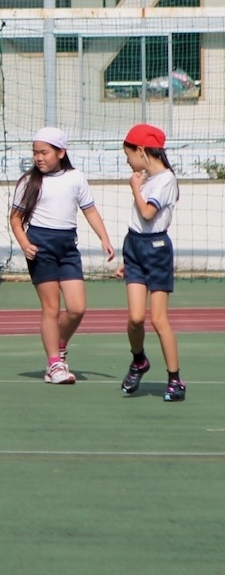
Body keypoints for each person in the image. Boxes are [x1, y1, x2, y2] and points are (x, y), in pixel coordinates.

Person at [9, 127, 114, 385]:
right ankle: (54, 364)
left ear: (61, 152)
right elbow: (15, 219)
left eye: (44, 152)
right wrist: (24, 243)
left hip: (67, 248)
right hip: (40, 247)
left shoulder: (75, 178)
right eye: (35, 152)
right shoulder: (28, 181)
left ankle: (59, 344)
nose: (39, 157)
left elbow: (90, 210)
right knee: (52, 308)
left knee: (77, 308)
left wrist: (104, 238)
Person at [117, 124, 183, 401]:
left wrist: (135, 188)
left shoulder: (165, 180)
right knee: (135, 318)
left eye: (129, 155)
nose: (128, 161)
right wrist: (128, 258)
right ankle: (139, 360)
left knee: (158, 319)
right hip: (134, 246)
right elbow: (137, 223)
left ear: (142, 151)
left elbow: (147, 213)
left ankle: (175, 379)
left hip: (156, 250)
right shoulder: (147, 178)